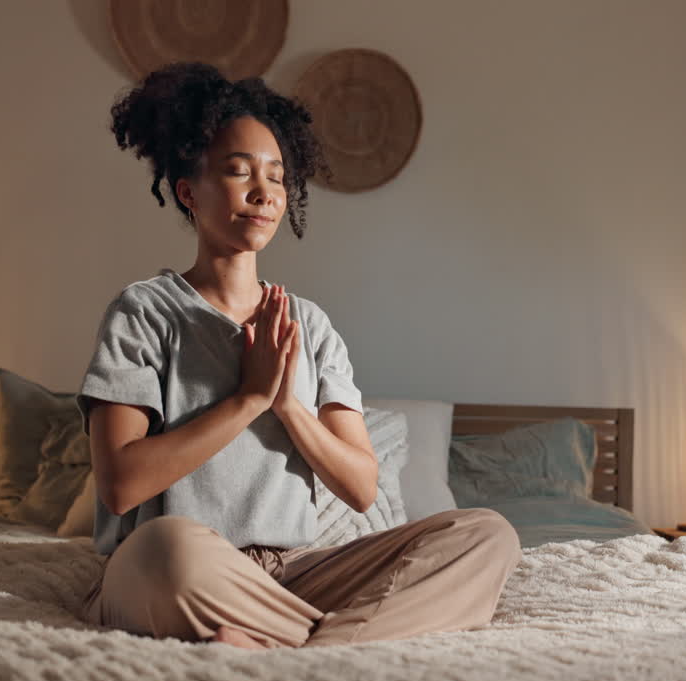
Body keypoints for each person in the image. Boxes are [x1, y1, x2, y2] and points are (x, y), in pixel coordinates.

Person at [75, 62, 521, 650]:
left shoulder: (309, 325)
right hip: (183, 565)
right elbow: (121, 485)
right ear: (188, 191)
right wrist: (249, 399)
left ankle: (300, 647)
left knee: (488, 536)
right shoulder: (144, 312)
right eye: (239, 173)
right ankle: (338, 643)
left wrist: (289, 407)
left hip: (293, 575)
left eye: (277, 178)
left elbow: (362, 487)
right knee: (163, 549)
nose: (264, 193)